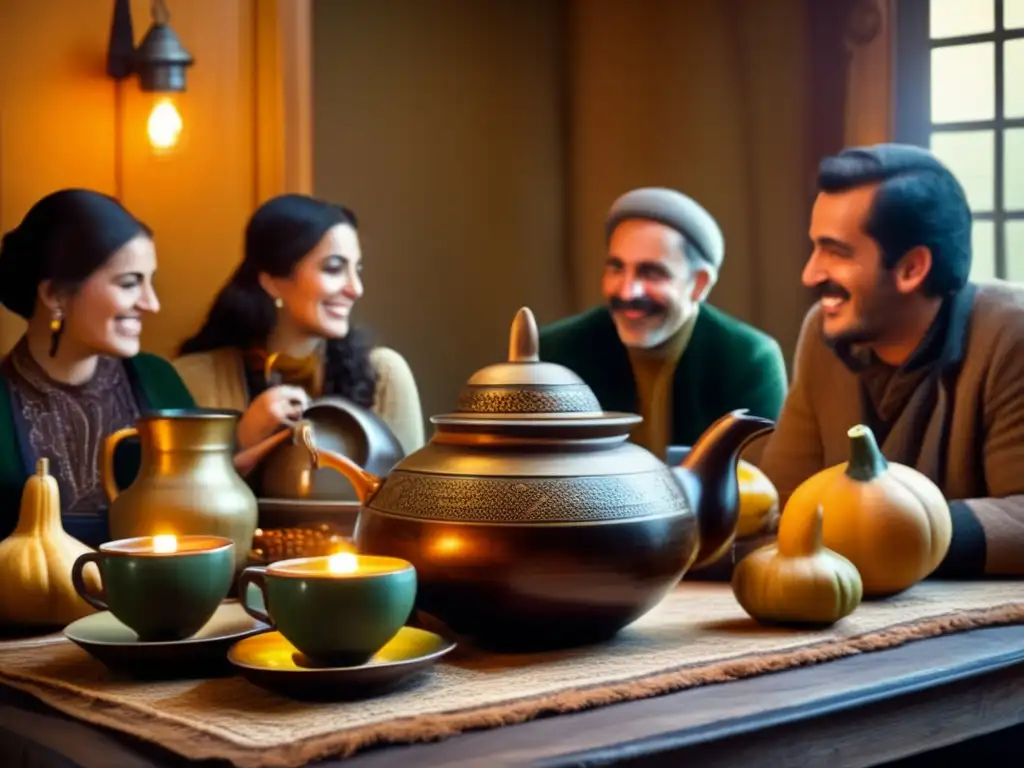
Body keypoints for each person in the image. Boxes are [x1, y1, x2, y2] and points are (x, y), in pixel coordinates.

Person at [756, 143, 1024, 578]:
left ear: (912, 268)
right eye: (814, 248)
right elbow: (786, 500)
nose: (810, 274)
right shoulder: (823, 330)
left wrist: (877, 529)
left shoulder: (1011, 333)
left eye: (835, 252)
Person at [0, 189, 195, 546]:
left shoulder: (159, 380)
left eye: (150, 281)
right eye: (129, 283)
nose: (152, 304)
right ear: (55, 295)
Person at [539, 187, 788, 459]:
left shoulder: (748, 359)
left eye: (651, 272)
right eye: (616, 268)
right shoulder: (557, 354)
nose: (627, 292)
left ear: (699, 284)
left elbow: (760, 484)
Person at [174, 194, 425, 456]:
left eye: (357, 270)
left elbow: (411, 494)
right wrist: (241, 442)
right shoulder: (195, 378)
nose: (356, 289)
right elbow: (177, 496)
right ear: (274, 281)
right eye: (334, 268)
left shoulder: (384, 376)